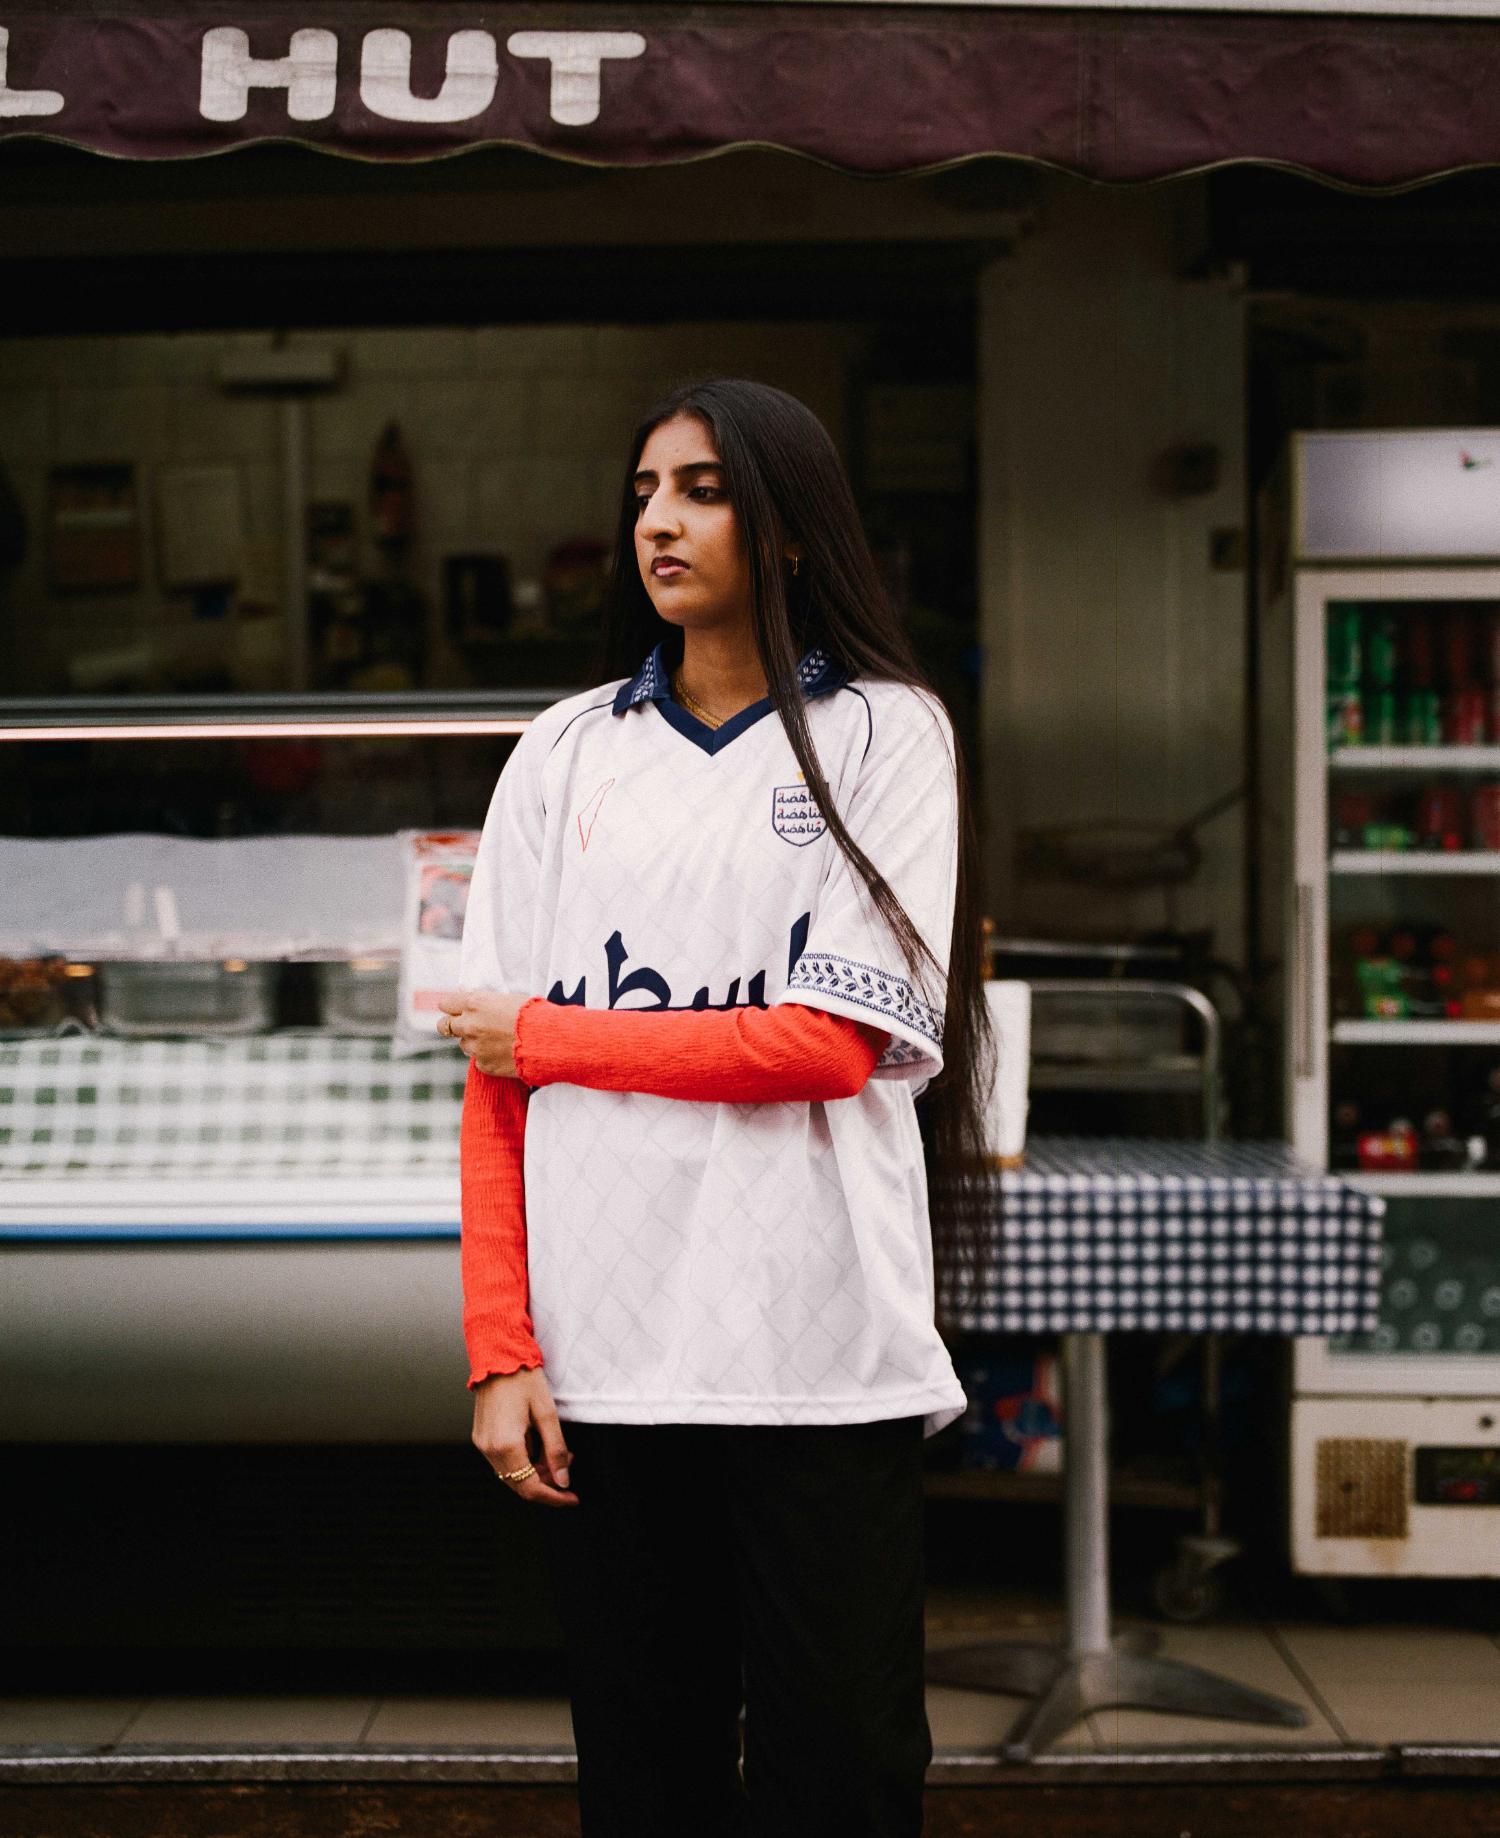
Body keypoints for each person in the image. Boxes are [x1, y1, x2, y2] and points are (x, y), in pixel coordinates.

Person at [436, 376, 997, 1838]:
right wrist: (501, 1344)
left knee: (848, 1765)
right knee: (644, 1770)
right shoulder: (564, 752)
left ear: (794, 526)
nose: (659, 523)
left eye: (700, 489)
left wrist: (557, 1031)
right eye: (642, 494)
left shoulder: (887, 735)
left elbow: (825, 1045)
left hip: (819, 1347)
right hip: (608, 1356)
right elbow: (488, 1080)